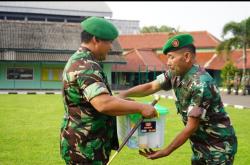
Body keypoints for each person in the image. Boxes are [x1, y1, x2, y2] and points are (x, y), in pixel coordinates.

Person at [118, 34, 238, 165]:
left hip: (219, 147)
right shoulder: (175, 74)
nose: (168, 62)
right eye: (167, 57)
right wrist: (123, 95)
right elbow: (151, 86)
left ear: (186, 57)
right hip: (200, 146)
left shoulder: (201, 84)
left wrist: (166, 151)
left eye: (171, 57)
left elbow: (191, 127)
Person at [59, 16, 157, 165]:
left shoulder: (80, 60)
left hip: (85, 144)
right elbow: (103, 104)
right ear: (95, 40)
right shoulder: (86, 65)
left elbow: (95, 101)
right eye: (109, 42)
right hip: (85, 147)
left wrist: (123, 102)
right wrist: (141, 107)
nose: (111, 47)